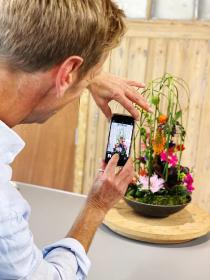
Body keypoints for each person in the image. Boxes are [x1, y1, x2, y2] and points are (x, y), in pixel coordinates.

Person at [0, 1, 150, 279]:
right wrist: (96, 206)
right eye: (83, 84)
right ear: (66, 73)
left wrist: (90, 77)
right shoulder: (3, 212)